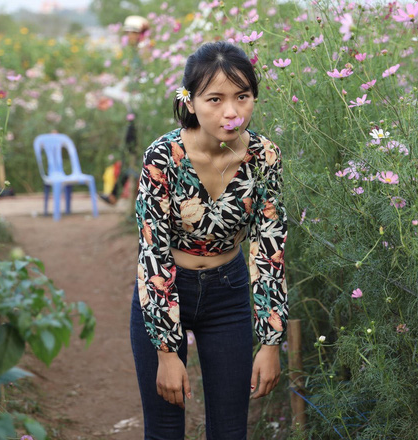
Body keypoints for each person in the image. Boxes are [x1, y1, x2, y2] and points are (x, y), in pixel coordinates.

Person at [130, 41, 288, 439]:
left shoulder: (264, 157)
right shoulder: (163, 157)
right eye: (215, 99)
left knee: (231, 430)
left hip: (228, 294)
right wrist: (167, 351)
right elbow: (153, 253)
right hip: (166, 292)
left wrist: (270, 342)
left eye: (243, 97)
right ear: (190, 100)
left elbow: (268, 248)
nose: (231, 112)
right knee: (165, 429)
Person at [100, 15, 150, 205]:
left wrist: (113, 92)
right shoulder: (135, 54)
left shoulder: (144, 53)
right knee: (131, 152)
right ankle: (117, 192)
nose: (128, 36)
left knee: (133, 152)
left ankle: (119, 193)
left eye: (132, 33)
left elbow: (138, 84)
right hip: (135, 113)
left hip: (142, 115)